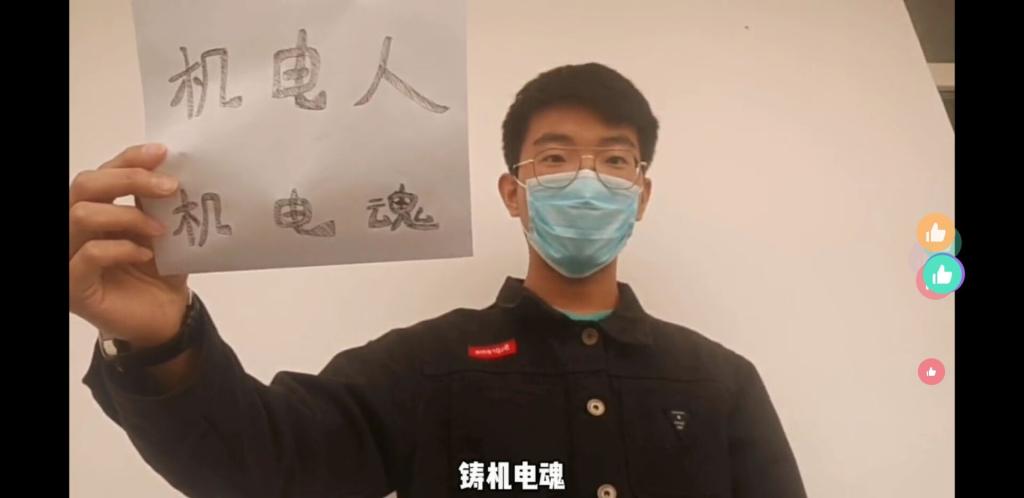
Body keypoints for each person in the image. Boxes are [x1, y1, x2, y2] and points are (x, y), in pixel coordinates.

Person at [70, 62, 806, 498]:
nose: (588, 181)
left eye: (615, 161)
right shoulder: (425, 369)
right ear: (513, 192)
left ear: (641, 195)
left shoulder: (721, 382)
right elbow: (267, 467)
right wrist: (161, 342)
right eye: (555, 158)